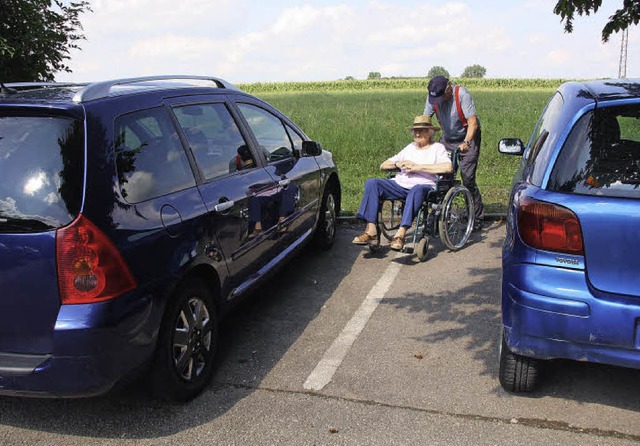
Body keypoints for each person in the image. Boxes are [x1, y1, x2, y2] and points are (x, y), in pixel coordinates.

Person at [352, 115, 452, 251]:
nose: (417, 133)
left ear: (430, 132)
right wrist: (398, 164)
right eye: (415, 131)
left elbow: (447, 167)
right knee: (372, 183)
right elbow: (384, 165)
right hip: (400, 184)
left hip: (424, 185)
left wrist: (418, 167)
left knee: (416, 190)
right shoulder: (410, 147)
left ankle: (400, 234)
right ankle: (371, 230)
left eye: (421, 131)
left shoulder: (437, 148)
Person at [424, 76, 484, 228]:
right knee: (443, 177)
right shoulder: (433, 96)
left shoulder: (461, 94)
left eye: (442, 97)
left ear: (449, 88)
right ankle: (442, 214)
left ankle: (476, 217)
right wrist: (424, 140)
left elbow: (472, 123)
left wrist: (466, 143)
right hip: (448, 138)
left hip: (467, 137)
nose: (439, 102)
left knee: (467, 177)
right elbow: (426, 119)